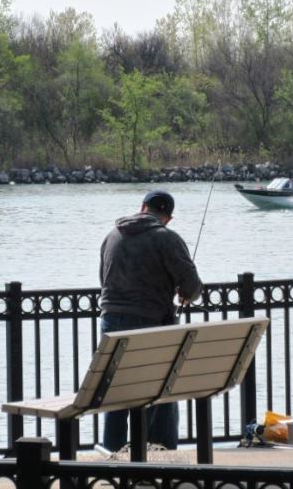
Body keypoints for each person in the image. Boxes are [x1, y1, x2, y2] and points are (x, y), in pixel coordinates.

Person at [98, 189, 203, 452]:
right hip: (151, 323)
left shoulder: (113, 235)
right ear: (168, 218)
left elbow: (104, 279)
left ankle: (113, 456)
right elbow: (192, 286)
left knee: (116, 393)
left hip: (110, 322)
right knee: (161, 391)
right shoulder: (166, 238)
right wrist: (185, 293)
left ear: (142, 206)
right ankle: (160, 453)